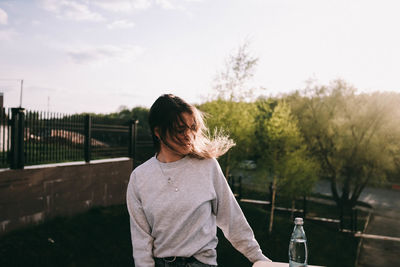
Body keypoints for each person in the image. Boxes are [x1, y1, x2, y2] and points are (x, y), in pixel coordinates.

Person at [126, 94, 272, 267]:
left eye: (193, 127)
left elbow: (232, 219)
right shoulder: (139, 178)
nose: (189, 135)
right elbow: (141, 242)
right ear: (158, 132)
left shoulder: (207, 167)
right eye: (180, 129)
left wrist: (260, 259)